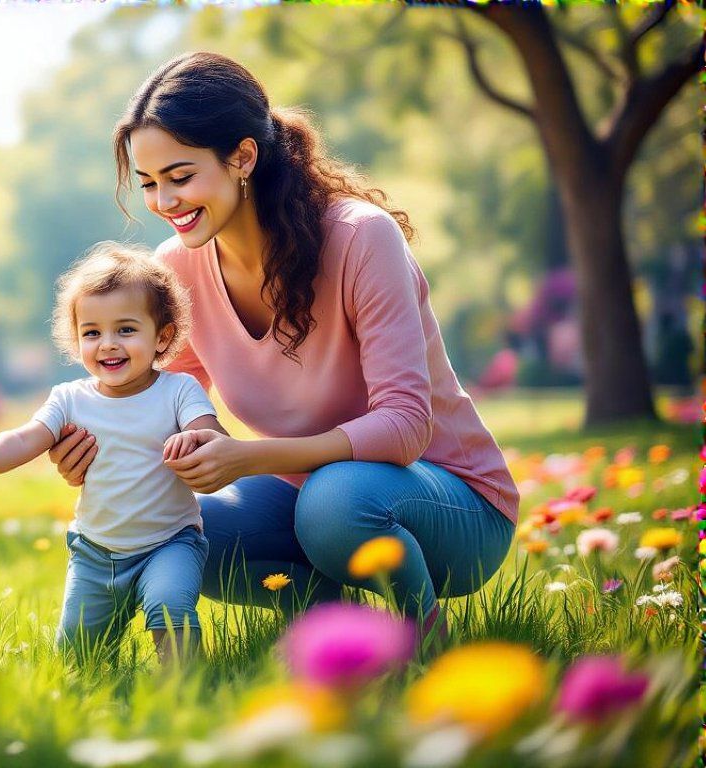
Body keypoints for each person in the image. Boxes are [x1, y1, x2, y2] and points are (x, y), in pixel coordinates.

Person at [50, 52, 518, 638]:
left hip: (450, 506)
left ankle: (425, 642)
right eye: (148, 184)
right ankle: (337, 634)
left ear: (242, 156)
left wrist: (252, 458)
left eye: (180, 176)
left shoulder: (359, 238)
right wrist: (102, 452)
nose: (164, 203)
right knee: (183, 529)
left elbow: (405, 427)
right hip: (309, 501)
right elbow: (172, 405)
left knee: (336, 500)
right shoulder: (178, 269)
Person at [0, 243, 228, 663]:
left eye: (126, 330)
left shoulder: (178, 391)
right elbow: (23, 438)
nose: (108, 344)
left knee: (170, 608)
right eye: (92, 332)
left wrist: (194, 439)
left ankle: (184, 689)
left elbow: (212, 435)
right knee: (78, 657)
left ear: (163, 337)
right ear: (76, 338)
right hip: (95, 553)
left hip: (169, 543)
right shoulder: (69, 398)